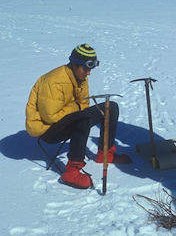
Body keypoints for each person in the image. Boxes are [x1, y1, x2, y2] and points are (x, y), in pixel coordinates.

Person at [25, 44, 131, 189]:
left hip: (64, 119)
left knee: (110, 107)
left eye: (91, 69)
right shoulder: (55, 81)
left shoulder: (80, 77)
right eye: (86, 69)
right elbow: (50, 116)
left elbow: (83, 103)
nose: (89, 73)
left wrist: (78, 109)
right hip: (47, 129)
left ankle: (104, 153)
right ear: (74, 64)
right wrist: (76, 109)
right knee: (82, 118)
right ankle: (72, 172)